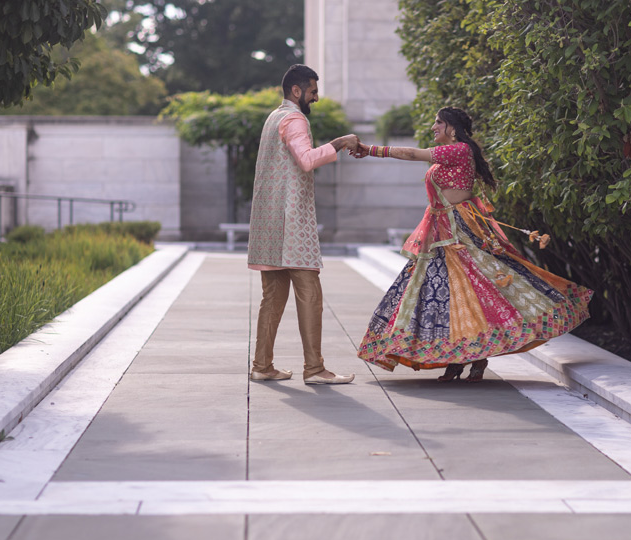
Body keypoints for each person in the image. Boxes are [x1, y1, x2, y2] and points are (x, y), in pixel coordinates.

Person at [353, 106, 593, 382]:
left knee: (474, 288)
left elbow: (410, 154)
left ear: (452, 129)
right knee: (447, 295)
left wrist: (369, 149)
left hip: (459, 233)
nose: (434, 128)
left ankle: (474, 358)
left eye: (438, 123)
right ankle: (458, 358)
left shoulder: (459, 150)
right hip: (442, 233)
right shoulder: (454, 153)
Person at [247, 64, 359, 385]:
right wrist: (339, 143)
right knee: (310, 292)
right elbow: (306, 160)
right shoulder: (295, 119)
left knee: (273, 297)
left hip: (269, 224)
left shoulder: (274, 117)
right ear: (296, 91)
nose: (316, 97)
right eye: (312, 91)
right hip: (292, 222)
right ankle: (314, 369)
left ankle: (262, 366)